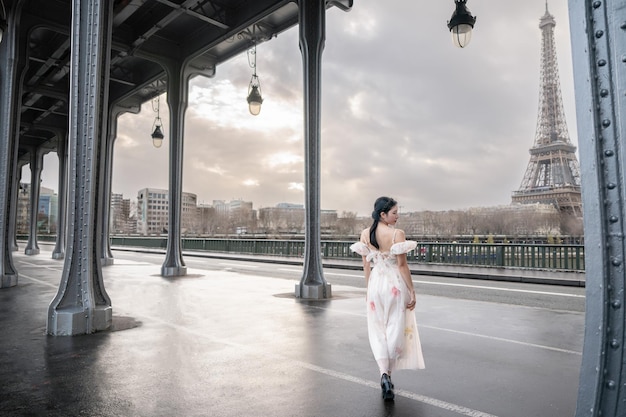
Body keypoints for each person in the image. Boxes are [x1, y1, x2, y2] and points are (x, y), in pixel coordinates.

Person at [350, 196, 425, 401]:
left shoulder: (366, 234)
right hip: (393, 285)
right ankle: (388, 374)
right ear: (383, 214)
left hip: (375, 284)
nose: (397, 216)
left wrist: (368, 289)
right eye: (394, 212)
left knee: (377, 330)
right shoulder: (397, 234)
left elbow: (366, 265)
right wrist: (412, 289)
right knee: (394, 327)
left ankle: (384, 374)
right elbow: (402, 266)